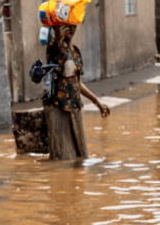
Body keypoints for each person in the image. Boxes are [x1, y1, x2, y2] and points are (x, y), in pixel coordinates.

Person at [43, 23, 110, 159]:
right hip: (57, 108)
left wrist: (97, 102)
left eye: (73, 26)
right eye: (66, 26)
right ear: (58, 28)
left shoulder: (75, 52)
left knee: (81, 155)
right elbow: (51, 68)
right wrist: (57, 40)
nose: (71, 29)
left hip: (74, 107)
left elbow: (77, 83)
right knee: (62, 157)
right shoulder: (53, 49)